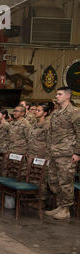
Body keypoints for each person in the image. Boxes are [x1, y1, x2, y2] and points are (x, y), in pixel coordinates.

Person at [45, 87, 80, 220]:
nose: (57, 96)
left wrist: (77, 153)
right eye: (57, 94)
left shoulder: (75, 112)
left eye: (59, 94)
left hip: (67, 152)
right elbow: (51, 133)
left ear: (68, 96)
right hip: (54, 152)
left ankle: (66, 209)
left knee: (65, 181)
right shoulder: (57, 113)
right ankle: (60, 205)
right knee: (54, 180)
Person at [28, 103, 51, 206]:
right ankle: (33, 198)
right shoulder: (34, 124)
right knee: (33, 177)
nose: (35, 112)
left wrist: (48, 157)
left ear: (45, 113)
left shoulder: (47, 125)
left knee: (41, 179)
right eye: (35, 110)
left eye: (39, 110)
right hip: (32, 154)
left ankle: (41, 201)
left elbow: (50, 142)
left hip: (42, 155)